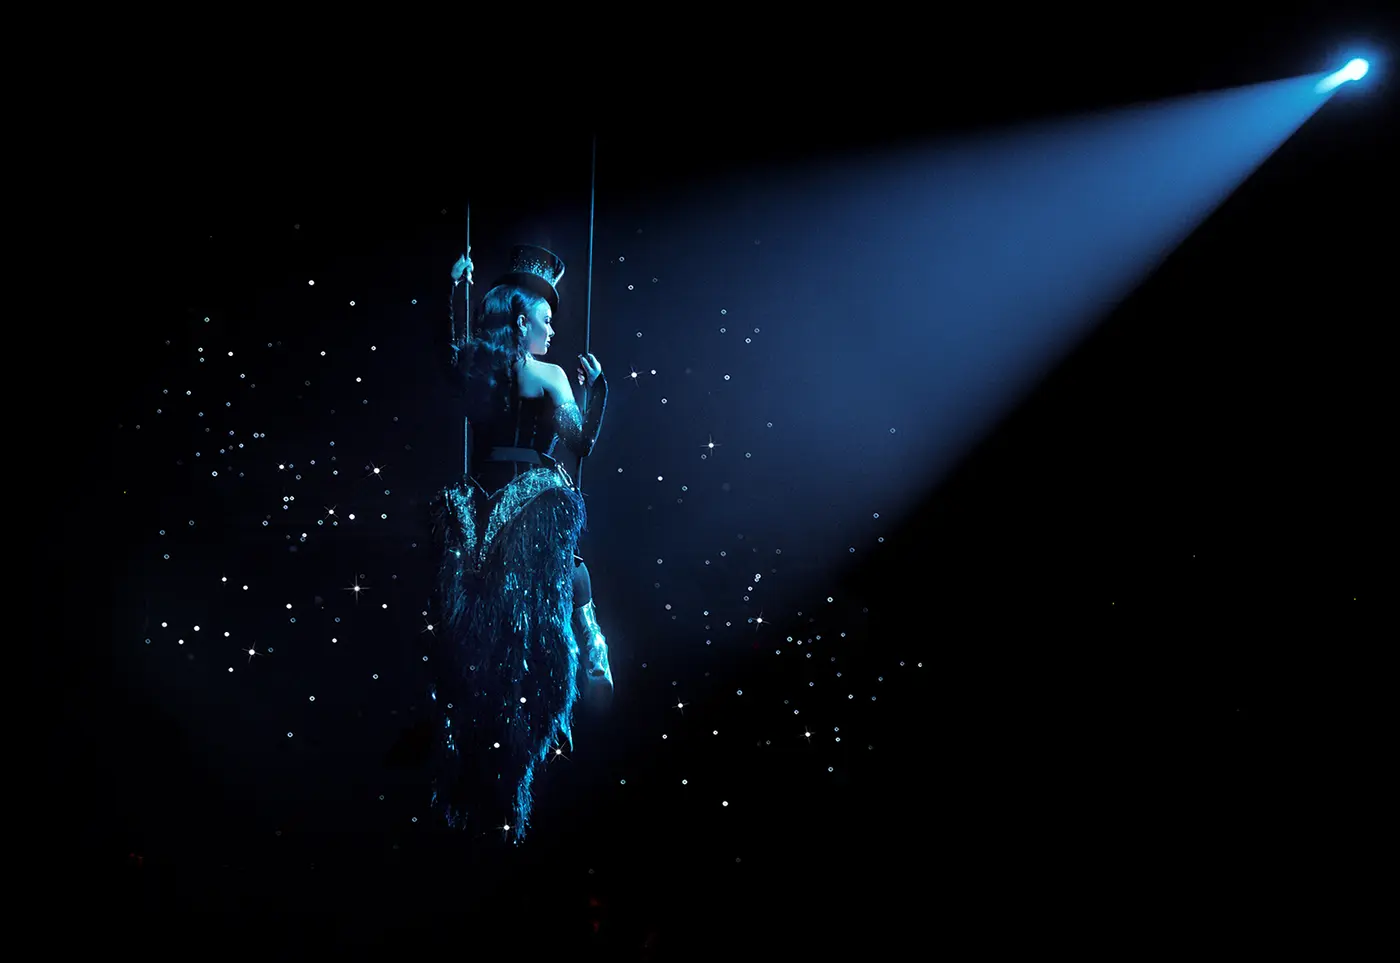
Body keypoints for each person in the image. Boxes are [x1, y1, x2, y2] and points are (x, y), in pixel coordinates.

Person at [427, 244, 611, 840]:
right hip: (524, 508)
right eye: (547, 320)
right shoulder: (547, 376)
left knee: (491, 622)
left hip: (480, 509)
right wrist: (596, 393)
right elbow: (579, 445)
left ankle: (584, 652)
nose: (553, 331)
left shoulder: (478, 369)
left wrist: (452, 294)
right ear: (521, 318)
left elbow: (448, 353)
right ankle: (588, 649)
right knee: (560, 588)